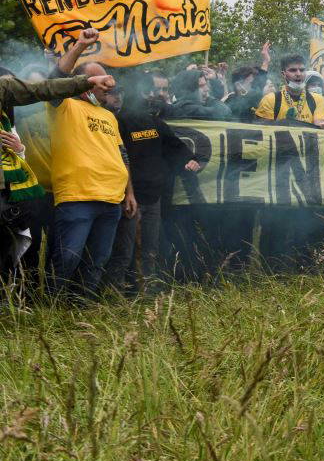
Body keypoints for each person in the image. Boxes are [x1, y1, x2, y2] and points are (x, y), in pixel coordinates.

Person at [1, 62, 114, 281]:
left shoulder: (60, 110)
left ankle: (35, 299)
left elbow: (48, 88)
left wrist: (19, 149)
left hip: (49, 192)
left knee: (42, 249)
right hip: (31, 192)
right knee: (31, 250)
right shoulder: (20, 115)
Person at [44, 29, 136, 297]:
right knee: (67, 258)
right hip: (77, 196)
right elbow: (54, 80)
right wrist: (80, 46)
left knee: (97, 260)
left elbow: (122, 155)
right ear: (82, 82)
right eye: (96, 80)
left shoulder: (109, 116)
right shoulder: (63, 106)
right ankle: (50, 310)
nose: (105, 86)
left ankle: (81, 311)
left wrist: (129, 193)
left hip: (111, 200)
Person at [100, 75, 202, 294]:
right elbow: (118, 160)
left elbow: (173, 145)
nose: (117, 97)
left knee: (150, 248)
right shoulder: (115, 123)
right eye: (113, 93)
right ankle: (114, 292)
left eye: (120, 93)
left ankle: (145, 288)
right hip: (127, 197)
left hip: (153, 197)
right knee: (124, 250)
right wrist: (129, 193)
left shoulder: (154, 122)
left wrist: (188, 159)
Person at [254, 54, 324, 126]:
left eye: (302, 70)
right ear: (283, 74)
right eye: (293, 70)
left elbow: (320, 124)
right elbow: (264, 132)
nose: (298, 74)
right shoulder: (270, 100)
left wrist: (321, 125)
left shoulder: (317, 99)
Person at [168, 69, 233, 120]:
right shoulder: (186, 108)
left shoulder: (195, 105)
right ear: (188, 89)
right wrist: (209, 98)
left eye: (205, 85)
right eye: (201, 86)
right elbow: (224, 111)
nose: (207, 89)